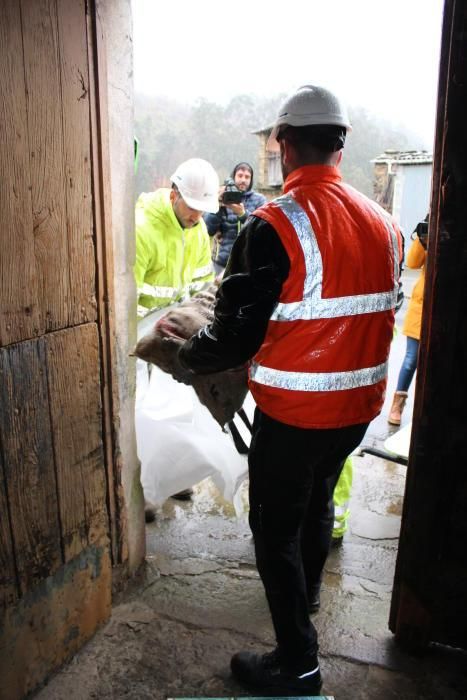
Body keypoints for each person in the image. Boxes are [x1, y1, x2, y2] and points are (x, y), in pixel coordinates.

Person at [176, 84, 403, 695]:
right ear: (341, 144)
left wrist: (186, 352)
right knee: (318, 500)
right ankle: (306, 605)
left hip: (296, 412)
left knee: (273, 527)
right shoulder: (386, 225)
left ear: (282, 145)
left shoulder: (273, 223)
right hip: (357, 410)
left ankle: (297, 661)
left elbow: (232, 339)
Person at [134, 158, 219, 318]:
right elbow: (126, 304)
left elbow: (203, 286)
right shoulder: (141, 229)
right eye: (192, 207)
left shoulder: (198, 229)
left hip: (176, 321)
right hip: (140, 329)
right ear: (173, 196)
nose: (197, 216)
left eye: (203, 210)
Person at [388, 216, 428, 425]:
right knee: (412, 358)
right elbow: (412, 262)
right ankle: (397, 405)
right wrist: (422, 239)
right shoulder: (430, 228)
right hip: (422, 307)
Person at [204, 162, 266, 275]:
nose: (243, 180)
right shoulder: (223, 198)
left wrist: (242, 214)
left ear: (251, 180)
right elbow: (207, 229)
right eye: (240, 175)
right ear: (234, 177)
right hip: (222, 262)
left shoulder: (259, 200)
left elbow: (262, 230)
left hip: (249, 264)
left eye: (247, 177)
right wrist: (216, 204)